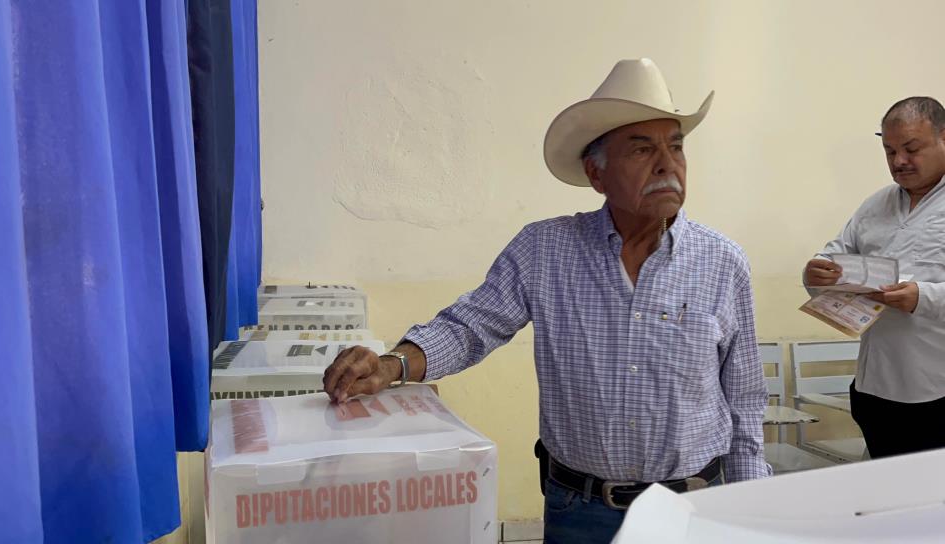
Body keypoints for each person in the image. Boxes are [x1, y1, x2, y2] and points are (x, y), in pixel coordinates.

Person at [324, 58, 770, 543]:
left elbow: (744, 400)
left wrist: (751, 509)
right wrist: (394, 365)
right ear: (596, 174)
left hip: (695, 509)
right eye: (642, 149)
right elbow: (470, 326)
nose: (668, 163)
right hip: (580, 512)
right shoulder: (545, 250)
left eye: (676, 146)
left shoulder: (723, 263)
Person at [803, 96, 945, 459]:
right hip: (876, 386)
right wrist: (816, 271)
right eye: (889, 150)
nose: (899, 161)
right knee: (888, 499)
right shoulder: (875, 205)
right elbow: (835, 253)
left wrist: (923, 297)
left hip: (937, 388)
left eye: (911, 149)